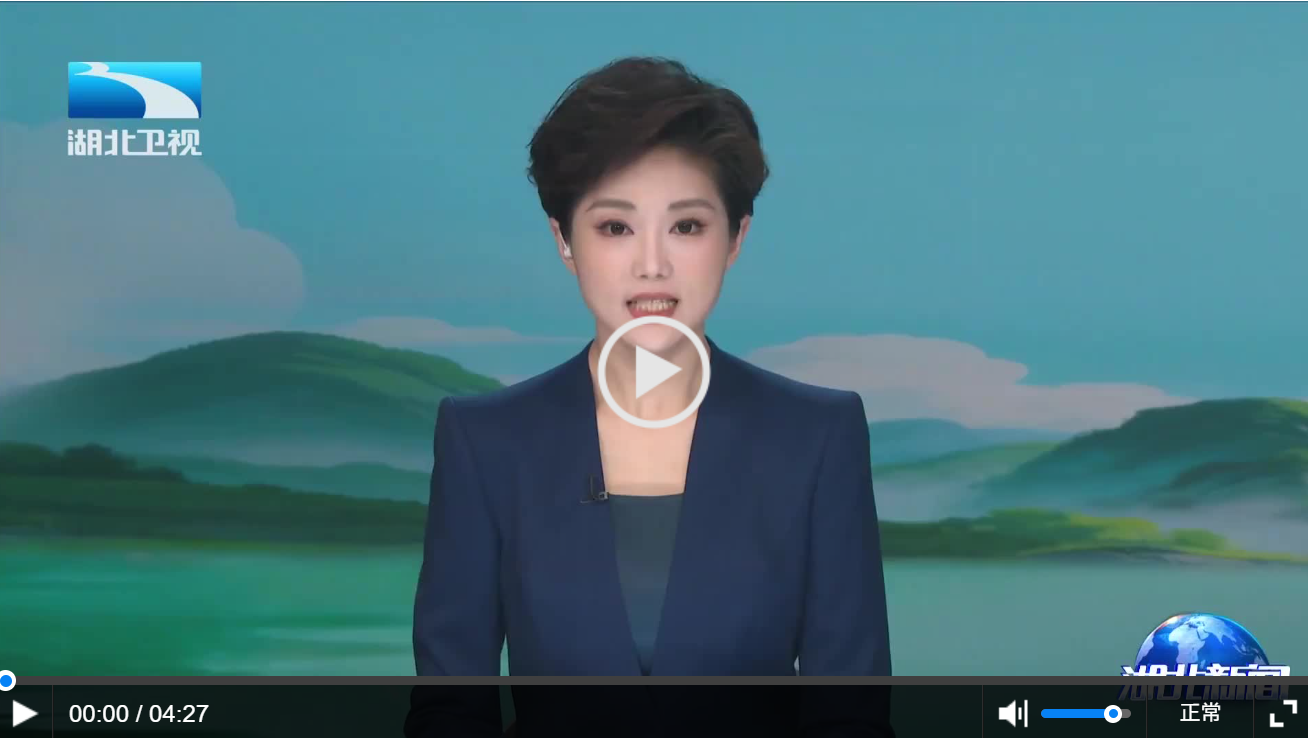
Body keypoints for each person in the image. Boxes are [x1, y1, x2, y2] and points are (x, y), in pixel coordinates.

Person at [407, 57, 893, 736]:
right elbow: (450, 712)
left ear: (736, 238)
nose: (652, 265)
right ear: (563, 241)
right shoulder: (484, 442)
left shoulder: (818, 436)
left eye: (686, 227)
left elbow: (852, 717)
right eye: (615, 227)